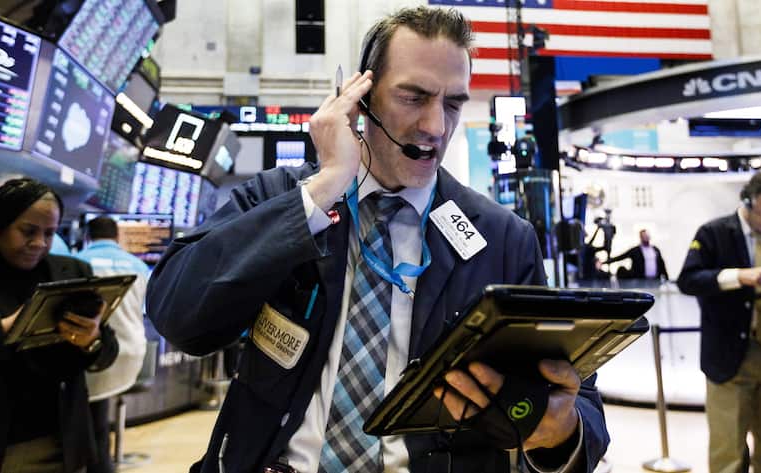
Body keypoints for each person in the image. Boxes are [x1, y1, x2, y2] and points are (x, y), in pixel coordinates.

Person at [147, 6, 609, 473]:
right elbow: (178, 315)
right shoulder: (280, 198)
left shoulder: (502, 238)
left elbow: (582, 410)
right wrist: (322, 189)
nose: (436, 126)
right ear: (360, 98)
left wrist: (559, 432)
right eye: (413, 97)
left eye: (453, 103)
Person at [0, 177, 118, 472]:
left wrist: (91, 340)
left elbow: (108, 350)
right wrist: (6, 327)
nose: (39, 243)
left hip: (63, 442)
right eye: (28, 231)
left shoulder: (73, 271)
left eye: (49, 233)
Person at [677, 171, 761, 473]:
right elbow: (688, 280)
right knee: (728, 451)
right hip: (730, 355)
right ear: (748, 200)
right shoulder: (714, 233)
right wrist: (738, 276)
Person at [77, 216, 150, 473]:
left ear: (87, 236)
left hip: (95, 354)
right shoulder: (139, 265)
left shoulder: (78, 263)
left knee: (89, 422)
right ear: (117, 236)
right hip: (133, 354)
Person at [603, 229, 668, 280]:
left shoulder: (655, 249)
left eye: (647, 236)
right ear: (641, 238)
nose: (646, 237)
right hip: (640, 280)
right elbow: (621, 257)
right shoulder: (635, 250)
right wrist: (604, 262)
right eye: (644, 236)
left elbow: (662, 264)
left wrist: (666, 278)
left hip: (655, 280)